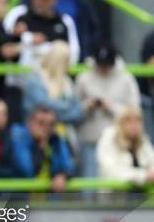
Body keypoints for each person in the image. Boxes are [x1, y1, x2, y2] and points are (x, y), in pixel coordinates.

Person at [76, 43, 140, 177]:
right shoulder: (83, 78)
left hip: (119, 142)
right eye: (100, 64)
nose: (103, 68)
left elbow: (135, 111)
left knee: (115, 183)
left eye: (107, 64)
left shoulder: (126, 79)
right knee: (89, 185)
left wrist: (111, 107)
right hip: (90, 140)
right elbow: (73, 110)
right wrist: (88, 105)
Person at [4, 0, 80, 68]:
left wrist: (47, 49)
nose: (38, 3)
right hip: (19, 78)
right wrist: (26, 38)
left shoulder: (65, 21)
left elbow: (73, 55)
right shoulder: (18, 14)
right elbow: (3, 47)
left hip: (51, 76)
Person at [22, 41, 82, 151]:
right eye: (65, 60)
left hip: (64, 137)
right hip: (36, 136)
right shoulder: (35, 79)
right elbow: (42, 105)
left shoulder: (67, 82)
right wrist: (66, 107)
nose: (68, 65)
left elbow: (77, 112)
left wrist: (56, 113)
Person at [11, 106, 74, 191]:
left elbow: (68, 165)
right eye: (41, 123)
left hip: (47, 199)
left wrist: (63, 175)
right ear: (30, 123)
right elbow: (27, 171)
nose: (46, 127)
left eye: (51, 124)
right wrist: (40, 147)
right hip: (21, 198)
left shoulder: (56, 140)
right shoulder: (19, 139)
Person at [97, 106, 154, 185]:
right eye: (128, 121)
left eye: (137, 121)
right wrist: (143, 176)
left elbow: (152, 160)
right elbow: (111, 172)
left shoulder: (143, 139)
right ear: (120, 123)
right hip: (117, 194)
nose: (134, 126)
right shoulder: (109, 138)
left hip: (143, 193)